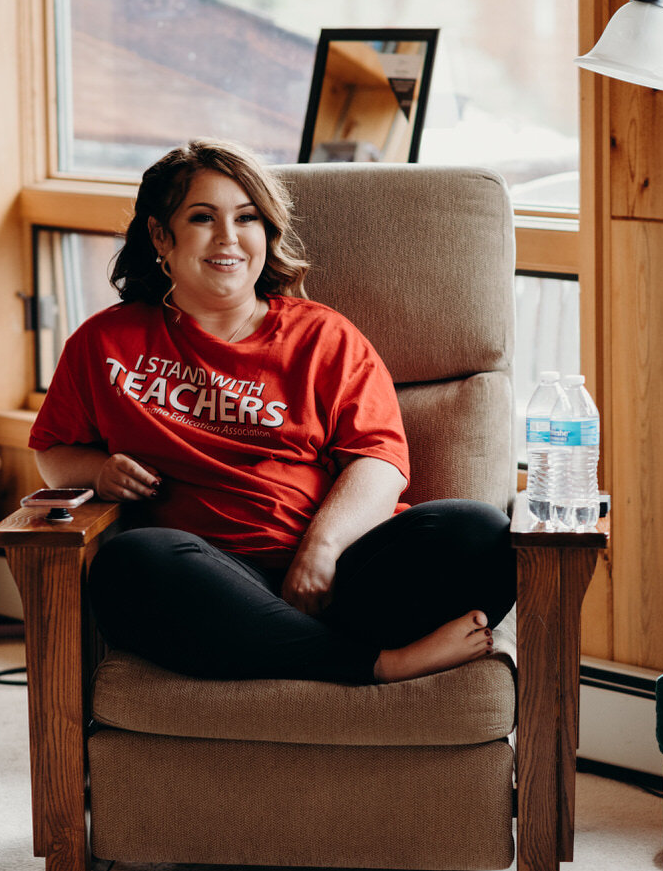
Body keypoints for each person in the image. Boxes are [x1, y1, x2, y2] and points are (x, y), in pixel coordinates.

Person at [29, 138, 515, 684]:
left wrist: (321, 552)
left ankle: (283, 646)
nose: (228, 238)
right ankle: (376, 665)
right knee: (130, 564)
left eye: (247, 218)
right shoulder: (105, 342)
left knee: (481, 531)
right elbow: (52, 451)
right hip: (211, 582)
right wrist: (97, 471)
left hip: (343, 572)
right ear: (160, 236)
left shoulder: (322, 336)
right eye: (202, 218)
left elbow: (380, 462)